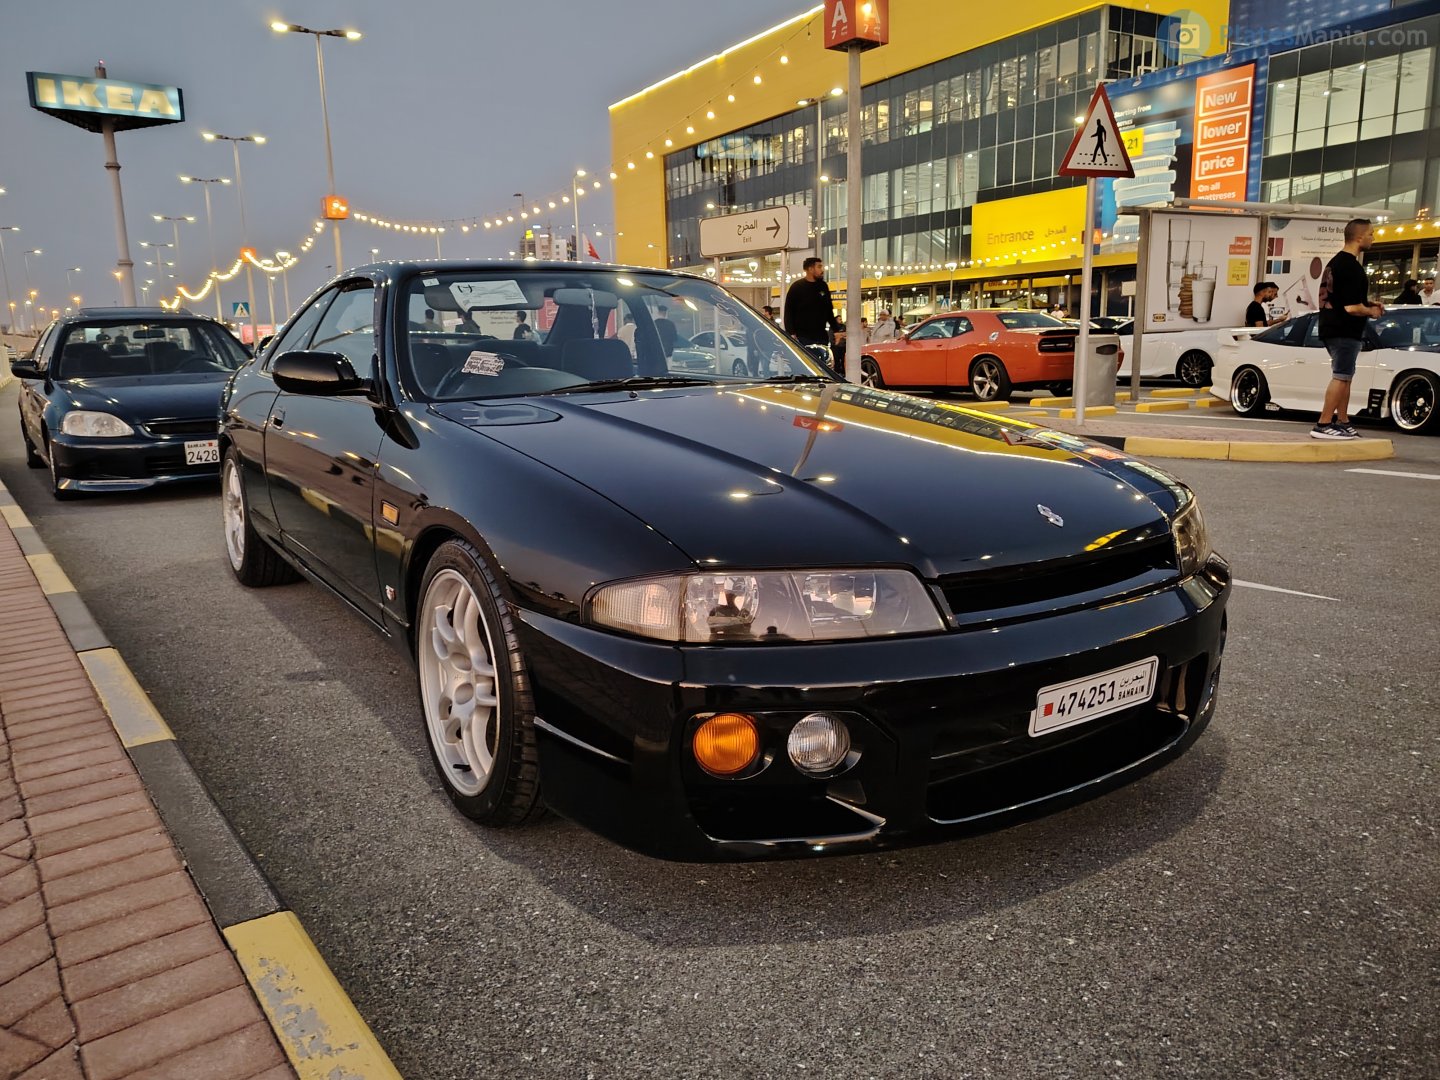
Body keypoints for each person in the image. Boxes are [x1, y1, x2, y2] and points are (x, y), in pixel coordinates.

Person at [1314, 218, 1384, 441]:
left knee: (1346, 377)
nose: (1374, 238)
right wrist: (1371, 312)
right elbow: (1352, 307)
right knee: (1341, 376)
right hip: (1344, 329)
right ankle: (1323, 423)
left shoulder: (1335, 263)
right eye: (1372, 234)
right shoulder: (1351, 267)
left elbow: (1344, 298)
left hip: (1332, 326)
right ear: (1360, 237)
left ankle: (1343, 421)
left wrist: (1368, 303)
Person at [783, 258, 843, 359]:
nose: (822, 270)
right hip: (802, 338)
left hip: (821, 337)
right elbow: (788, 312)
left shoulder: (823, 286)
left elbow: (829, 310)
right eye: (819, 267)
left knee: (823, 366)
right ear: (810, 269)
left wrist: (836, 330)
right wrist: (791, 333)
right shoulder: (797, 287)